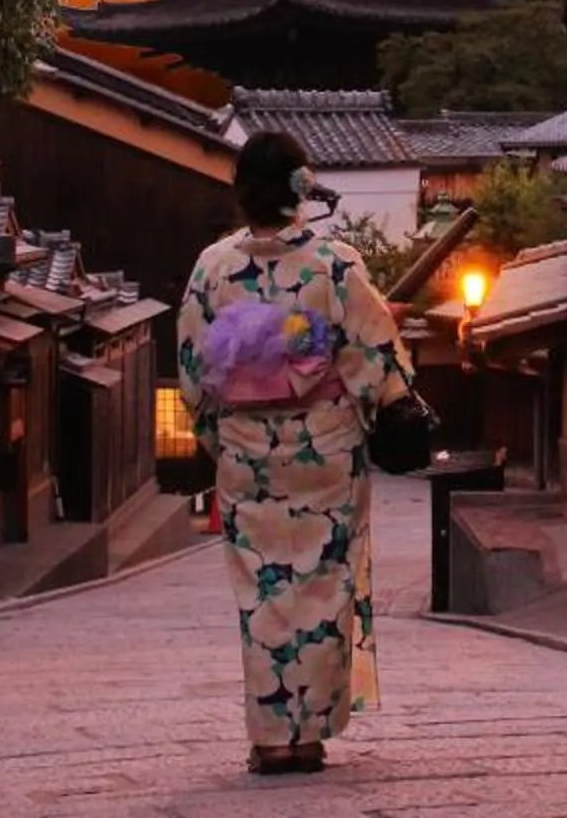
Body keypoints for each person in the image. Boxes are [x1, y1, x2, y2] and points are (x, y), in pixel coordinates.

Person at [175, 130, 414, 776]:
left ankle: (270, 738)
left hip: (247, 453)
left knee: (263, 595)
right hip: (327, 450)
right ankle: (308, 737)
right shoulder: (335, 264)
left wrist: (223, 441)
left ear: (240, 192)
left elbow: (195, 372)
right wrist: (379, 406)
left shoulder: (212, 269)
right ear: (301, 188)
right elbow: (375, 356)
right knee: (323, 585)